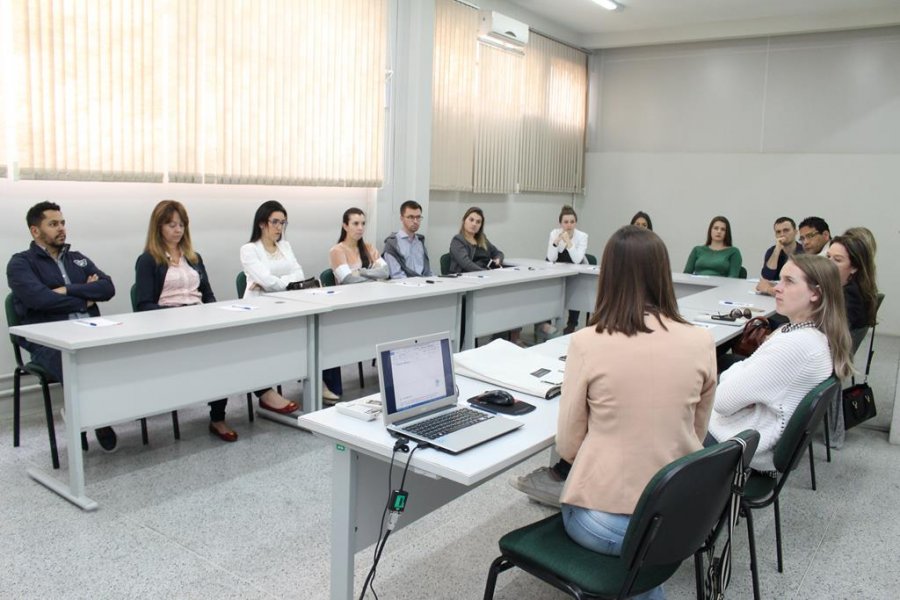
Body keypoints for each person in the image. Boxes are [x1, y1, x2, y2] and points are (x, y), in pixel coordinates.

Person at [535, 226, 715, 600]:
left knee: (627, 556)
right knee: (643, 573)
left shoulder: (588, 341)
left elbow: (568, 446)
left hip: (605, 519)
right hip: (679, 515)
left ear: (609, 277)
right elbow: (697, 435)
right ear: (664, 274)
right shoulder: (701, 341)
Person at [707, 254, 852, 471]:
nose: (777, 288)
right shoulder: (805, 334)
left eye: (789, 281)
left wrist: (738, 380)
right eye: (780, 280)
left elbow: (722, 401)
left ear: (816, 293)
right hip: (747, 434)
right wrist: (742, 380)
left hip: (736, 446)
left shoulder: (795, 345)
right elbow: (741, 374)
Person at [7, 202, 119, 452]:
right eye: (53, 224)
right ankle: (92, 419)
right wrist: (86, 297)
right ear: (35, 231)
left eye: (62, 222)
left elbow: (108, 288)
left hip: (89, 329)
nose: (61, 228)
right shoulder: (20, 264)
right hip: (48, 338)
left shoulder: (77, 259)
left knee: (120, 350)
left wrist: (68, 289)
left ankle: (84, 415)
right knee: (75, 362)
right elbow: (40, 299)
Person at [135, 200, 238, 442]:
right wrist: (175, 316)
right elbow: (143, 304)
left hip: (199, 319)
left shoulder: (193, 257)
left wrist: (214, 314)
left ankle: (218, 417)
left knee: (222, 356)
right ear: (158, 227)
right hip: (169, 324)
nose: (177, 230)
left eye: (181, 225)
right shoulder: (148, 260)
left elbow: (208, 294)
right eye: (171, 225)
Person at [238, 200, 303, 415]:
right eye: (274, 222)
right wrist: (285, 282)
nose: (279, 227)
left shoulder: (286, 246)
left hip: (286, 305)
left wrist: (276, 282)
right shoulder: (249, 250)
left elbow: (299, 275)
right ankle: (266, 392)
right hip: (258, 308)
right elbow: (266, 280)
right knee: (259, 348)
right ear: (261, 223)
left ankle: (312, 378)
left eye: (283, 223)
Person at [325, 207, 389, 402]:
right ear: (345, 225)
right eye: (355, 223)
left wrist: (361, 272)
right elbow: (347, 280)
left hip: (371, 303)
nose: (360, 228)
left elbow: (386, 272)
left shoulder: (369, 248)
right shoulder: (337, 250)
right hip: (347, 307)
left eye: (363, 223)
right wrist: (371, 275)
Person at [448, 207, 521, 345]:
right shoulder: (458, 240)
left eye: (478, 221)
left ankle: (502, 339)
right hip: (465, 284)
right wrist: (488, 273)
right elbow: (466, 264)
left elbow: (498, 252)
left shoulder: (482, 239)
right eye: (471, 220)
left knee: (507, 299)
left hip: (484, 281)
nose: (474, 224)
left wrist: (497, 260)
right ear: (464, 221)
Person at [545, 204, 588, 336]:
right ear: (560, 223)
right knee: (548, 293)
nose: (569, 225)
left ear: (576, 223)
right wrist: (556, 241)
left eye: (572, 222)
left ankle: (571, 325)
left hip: (574, 270)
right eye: (565, 222)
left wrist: (568, 242)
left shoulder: (582, 236)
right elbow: (551, 257)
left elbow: (577, 259)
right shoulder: (554, 233)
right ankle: (546, 324)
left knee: (576, 293)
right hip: (556, 272)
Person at [382, 200, 433, 279]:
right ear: (401, 218)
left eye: (418, 217)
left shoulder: (420, 241)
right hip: (404, 288)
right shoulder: (392, 243)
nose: (415, 221)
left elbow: (428, 271)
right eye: (411, 217)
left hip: (424, 285)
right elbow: (397, 275)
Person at [756, 216, 803, 296]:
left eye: (786, 230)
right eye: (778, 232)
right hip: (773, 295)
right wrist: (777, 250)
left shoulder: (804, 251)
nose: (782, 234)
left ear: (795, 232)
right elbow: (767, 276)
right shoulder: (772, 251)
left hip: (795, 294)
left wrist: (768, 288)